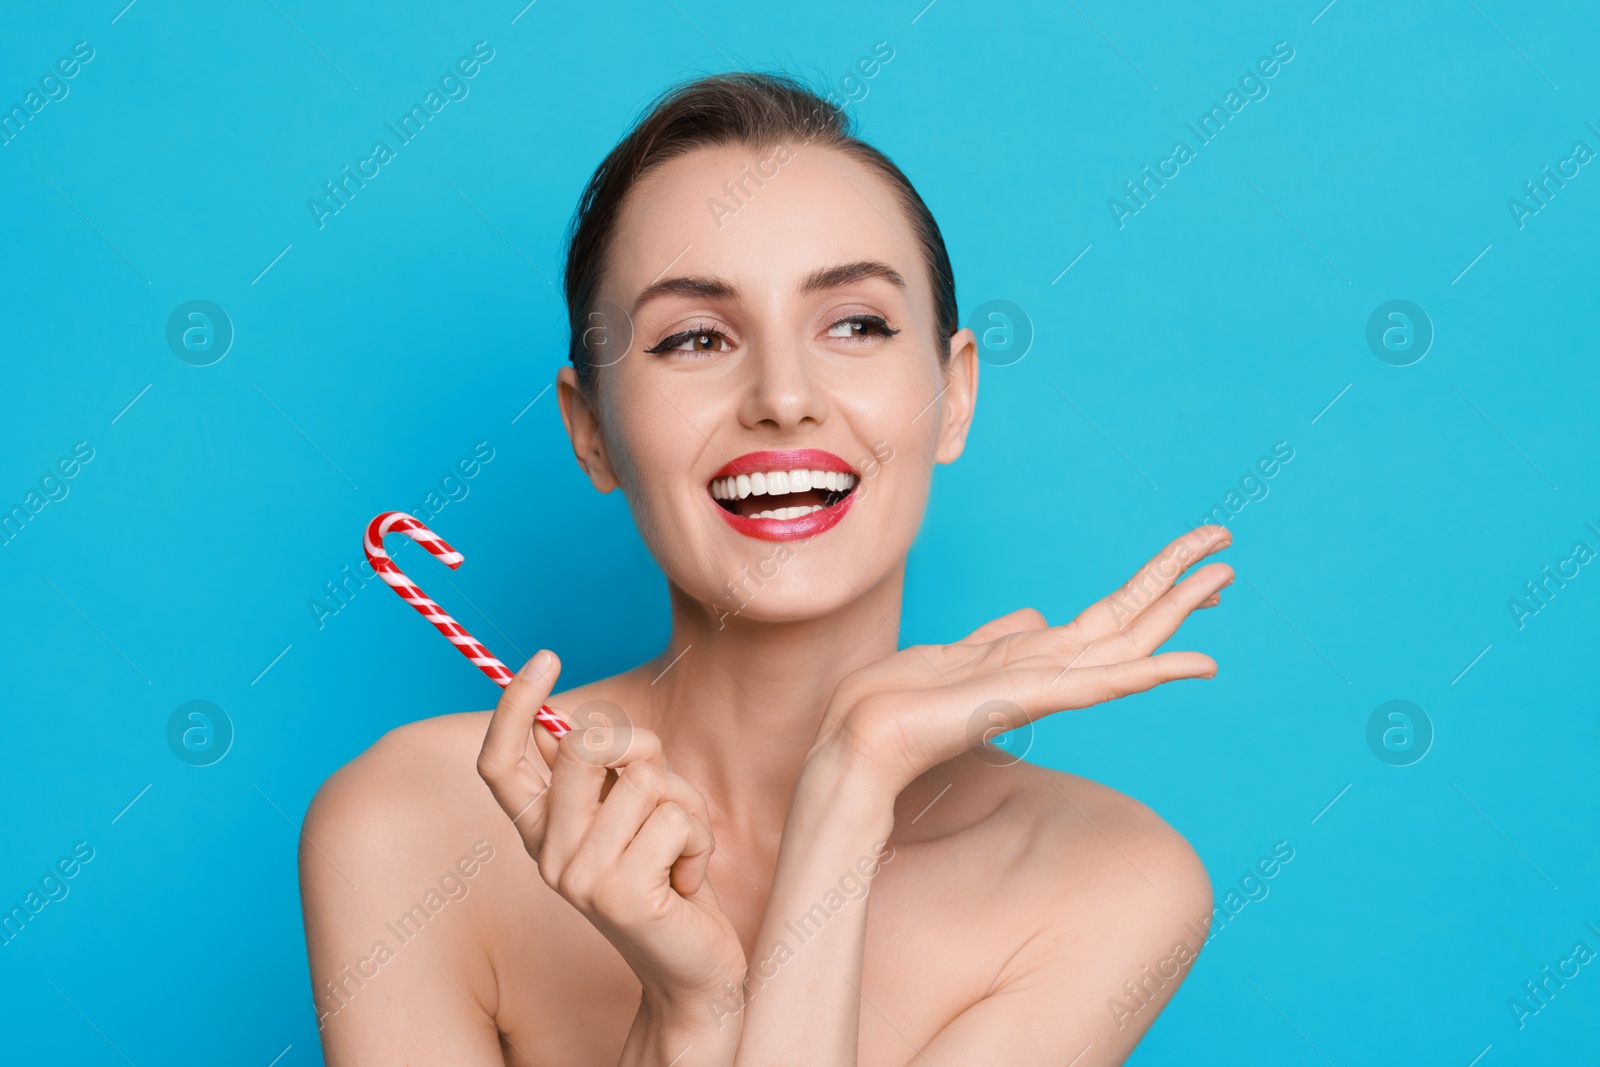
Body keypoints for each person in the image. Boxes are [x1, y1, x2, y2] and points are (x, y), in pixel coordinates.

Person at [299, 71, 1234, 1067]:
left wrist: (850, 780)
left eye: (855, 323)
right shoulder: (410, 825)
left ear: (953, 393)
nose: (784, 397)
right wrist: (685, 1015)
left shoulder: (1108, 881)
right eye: (694, 337)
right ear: (592, 432)